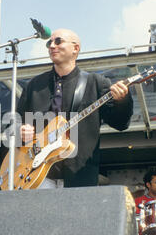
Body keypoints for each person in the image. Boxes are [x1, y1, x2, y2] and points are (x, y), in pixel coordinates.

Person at [17, 28, 133, 188]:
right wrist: (20, 131)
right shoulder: (34, 86)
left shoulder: (97, 83)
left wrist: (122, 101)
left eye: (58, 41)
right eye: (49, 42)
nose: (52, 46)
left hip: (79, 176)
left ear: (75, 48)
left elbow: (121, 124)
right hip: (36, 174)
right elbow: (14, 123)